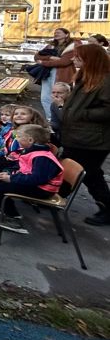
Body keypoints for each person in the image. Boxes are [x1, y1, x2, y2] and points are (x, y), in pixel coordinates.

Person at [60, 43, 110, 226]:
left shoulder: (105, 80)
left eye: (78, 57)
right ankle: (56, 196)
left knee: (90, 174)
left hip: (93, 139)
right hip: (77, 135)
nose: (73, 59)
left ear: (90, 60)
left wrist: (83, 114)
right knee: (68, 166)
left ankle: (107, 208)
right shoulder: (85, 77)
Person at [0, 124, 64, 234]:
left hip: (42, 189)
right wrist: (8, 172)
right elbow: (22, 167)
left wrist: (11, 178)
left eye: (19, 136)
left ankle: (15, 219)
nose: (16, 138)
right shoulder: (30, 150)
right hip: (32, 182)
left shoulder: (42, 157)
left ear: (30, 140)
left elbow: (37, 179)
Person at [33, 27, 80, 118]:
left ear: (66, 34)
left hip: (62, 74)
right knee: (45, 98)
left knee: (60, 97)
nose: (56, 34)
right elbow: (37, 56)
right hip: (47, 73)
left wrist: (43, 62)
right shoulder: (50, 46)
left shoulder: (72, 46)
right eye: (55, 32)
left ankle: (62, 118)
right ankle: (50, 119)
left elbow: (64, 62)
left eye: (59, 32)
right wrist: (50, 57)